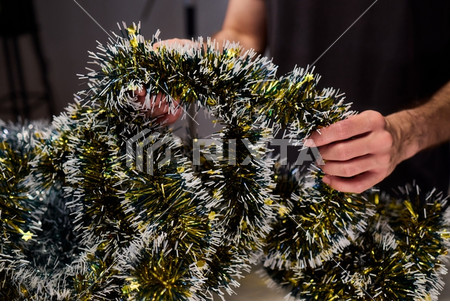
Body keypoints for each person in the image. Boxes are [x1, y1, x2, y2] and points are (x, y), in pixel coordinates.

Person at [139, 0, 450, 194]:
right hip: (291, 191)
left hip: (423, 205)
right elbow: (244, 32)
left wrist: (407, 132)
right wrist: (199, 61)